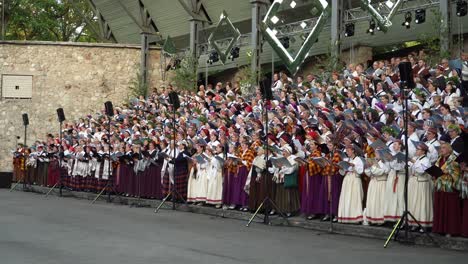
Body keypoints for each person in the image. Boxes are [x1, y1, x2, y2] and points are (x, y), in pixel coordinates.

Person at [432, 142, 462, 237]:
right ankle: (440, 229)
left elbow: (457, 172)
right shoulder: (440, 159)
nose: (441, 149)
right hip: (440, 186)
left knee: (450, 210)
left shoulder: (454, 159)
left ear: (449, 149)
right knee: (440, 208)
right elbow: (436, 170)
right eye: (441, 148)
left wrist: (447, 171)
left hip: (450, 187)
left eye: (444, 148)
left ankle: (450, 230)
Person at [408, 142, 433, 231]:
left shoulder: (426, 160)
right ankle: (415, 222)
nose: (416, 151)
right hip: (414, 183)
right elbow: (410, 168)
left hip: (422, 183)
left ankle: (423, 223)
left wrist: (414, 162)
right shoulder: (416, 158)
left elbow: (422, 170)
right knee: (414, 202)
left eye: (418, 149)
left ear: (423, 151)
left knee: (421, 203)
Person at [338, 144, 364, 224]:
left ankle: (355, 218)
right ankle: (346, 216)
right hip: (347, 179)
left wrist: (354, 166)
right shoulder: (346, 159)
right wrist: (341, 168)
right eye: (346, 151)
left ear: (353, 151)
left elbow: (360, 171)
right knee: (346, 198)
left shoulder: (358, 159)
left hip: (355, 179)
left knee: (354, 198)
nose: (347, 152)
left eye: (348, 151)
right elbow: (342, 173)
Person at [364, 151, 389, 225]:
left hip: (381, 183)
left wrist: (372, 166)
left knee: (379, 201)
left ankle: (380, 219)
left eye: (377, 153)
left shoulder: (385, 162)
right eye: (375, 153)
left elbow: (380, 172)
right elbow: (368, 173)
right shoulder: (375, 162)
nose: (375, 155)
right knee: (372, 201)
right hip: (373, 183)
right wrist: (368, 167)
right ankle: (372, 218)